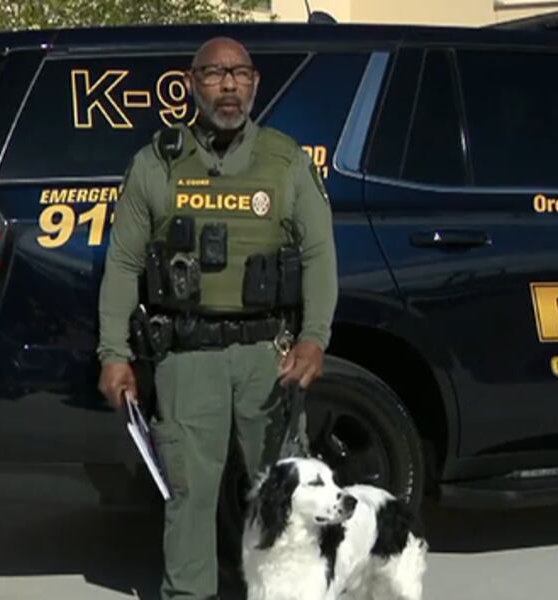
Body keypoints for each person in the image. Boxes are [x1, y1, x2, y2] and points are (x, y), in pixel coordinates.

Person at [95, 36, 338, 600]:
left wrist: (315, 338)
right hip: (187, 358)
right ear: (190, 84)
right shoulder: (156, 164)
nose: (228, 85)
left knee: (285, 495)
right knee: (189, 497)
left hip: (266, 358)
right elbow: (124, 262)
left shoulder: (285, 161)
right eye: (214, 74)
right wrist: (114, 353)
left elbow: (319, 254)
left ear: (255, 83)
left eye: (240, 73)